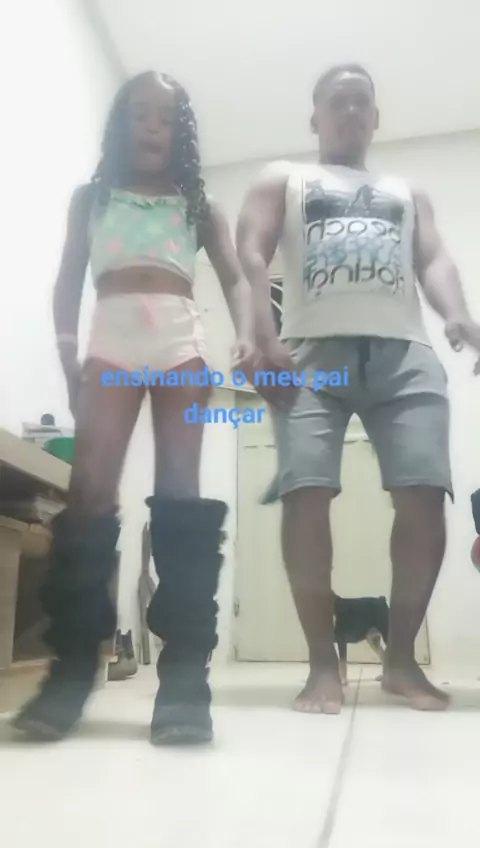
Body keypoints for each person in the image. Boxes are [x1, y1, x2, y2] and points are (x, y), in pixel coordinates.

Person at [13, 71, 251, 745]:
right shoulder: (91, 198)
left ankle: (185, 678)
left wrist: (249, 337)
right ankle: (70, 670)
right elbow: (67, 281)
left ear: (181, 133)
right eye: (141, 114)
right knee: (88, 492)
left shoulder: (199, 204)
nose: (153, 125)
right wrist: (68, 356)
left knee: (180, 492)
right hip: (111, 339)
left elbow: (235, 277)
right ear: (122, 124)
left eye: (166, 117)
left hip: (179, 339)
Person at [236, 64, 480, 714]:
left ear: (376, 118)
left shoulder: (406, 190)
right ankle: (323, 665)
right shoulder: (284, 178)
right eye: (336, 102)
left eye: (360, 102)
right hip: (312, 355)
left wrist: (459, 314)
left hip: (406, 354)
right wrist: (260, 333)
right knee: (305, 494)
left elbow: (434, 258)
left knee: (424, 496)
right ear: (315, 118)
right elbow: (250, 252)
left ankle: (400, 663)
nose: (349, 111)